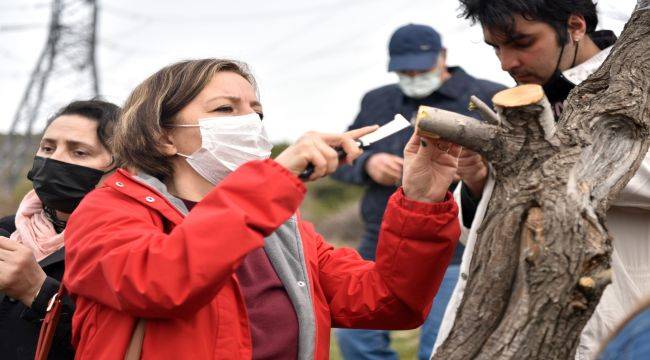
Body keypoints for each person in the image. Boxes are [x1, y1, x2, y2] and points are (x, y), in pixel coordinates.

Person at [62, 58, 463, 359]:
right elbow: (162, 283)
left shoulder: (281, 228)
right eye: (226, 109)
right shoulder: (107, 211)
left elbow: (389, 301)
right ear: (162, 136)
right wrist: (273, 180)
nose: (251, 121)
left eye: (257, 110)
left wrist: (421, 198)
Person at [432, 2, 650, 360]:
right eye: (496, 48)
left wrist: (543, 155)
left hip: (610, 319)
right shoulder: (521, 101)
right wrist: (474, 183)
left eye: (522, 42)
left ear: (575, 26)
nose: (506, 62)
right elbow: (475, 236)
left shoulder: (636, 88)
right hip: (510, 325)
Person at [330, 23, 505, 360]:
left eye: (420, 68)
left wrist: (472, 174)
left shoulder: (485, 96)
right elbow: (342, 156)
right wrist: (368, 164)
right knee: (355, 339)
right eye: (403, 69)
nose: (412, 75)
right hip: (379, 240)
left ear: (443, 57)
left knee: (440, 344)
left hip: (456, 245)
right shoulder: (377, 101)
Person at [0, 99, 120, 359]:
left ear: (120, 168)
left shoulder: (127, 249)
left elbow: (114, 344)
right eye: (48, 147)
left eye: (79, 152)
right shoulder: (7, 229)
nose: (54, 160)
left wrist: (39, 293)